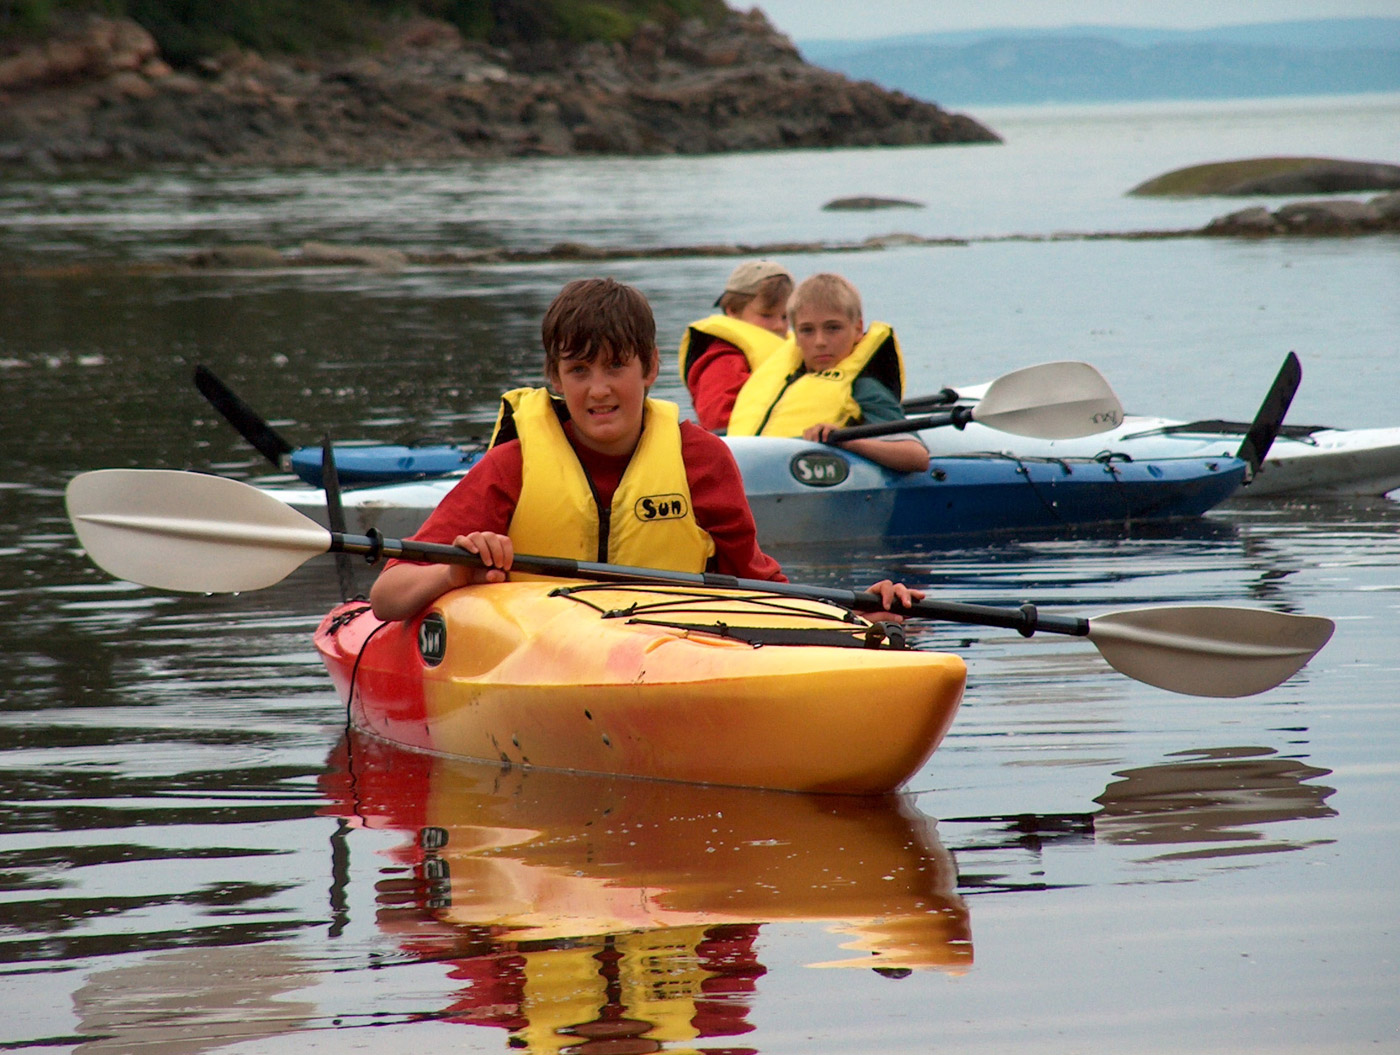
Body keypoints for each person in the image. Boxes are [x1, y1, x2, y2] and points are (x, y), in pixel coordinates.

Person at [370, 277, 921, 621]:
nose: (599, 389)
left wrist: (861, 612)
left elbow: (766, 589)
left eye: (616, 367)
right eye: (578, 370)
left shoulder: (700, 459)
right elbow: (387, 597)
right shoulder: (511, 466)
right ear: (555, 378)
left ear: (650, 368)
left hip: (668, 650)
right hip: (542, 657)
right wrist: (455, 571)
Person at [726, 273, 930, 474]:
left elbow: (917, 457)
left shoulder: (864, 388)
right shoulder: (778, 380)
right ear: (795, 335)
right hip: (749, 470)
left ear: (858, 329)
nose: (820, 341)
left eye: (833, 328)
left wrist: (848, 441)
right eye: (807, 330)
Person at [678, 260, 794, 433]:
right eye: (766, 315)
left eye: (785, 317)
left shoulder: (799, 352)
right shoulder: (723, 361)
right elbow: (718, 420)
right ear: (732, 310)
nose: (779, 325)